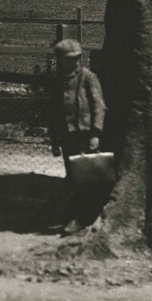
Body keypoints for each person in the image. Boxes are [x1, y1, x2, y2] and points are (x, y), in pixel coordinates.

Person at [49, 37, 107, 234]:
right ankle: (72, 215)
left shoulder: (88, 77)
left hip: (85, 135)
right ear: (59, 60)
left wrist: (96, 133)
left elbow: (99, 106)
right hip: (68, 136)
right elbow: (53, 112)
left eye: (76, 58)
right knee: (72, 177)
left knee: (86, 179)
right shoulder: (58, 81)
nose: (73, 63)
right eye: (68, 59)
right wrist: (54, 140)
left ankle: (81, 218)